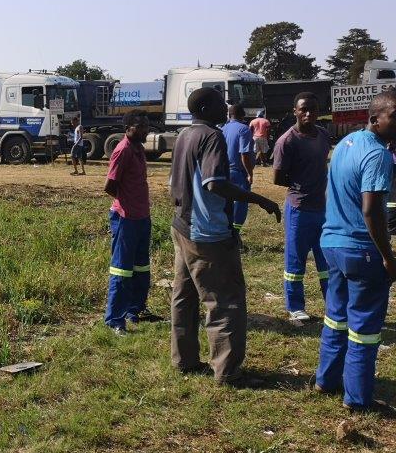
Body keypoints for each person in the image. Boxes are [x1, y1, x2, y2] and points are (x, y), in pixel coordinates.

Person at [169, 88, 280, 385]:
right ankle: (228, 372)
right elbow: (214, 184)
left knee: (184, 296)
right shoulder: (211, 136)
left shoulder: (184, 135)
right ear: (206, 108)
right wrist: (258, 199)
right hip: (207, 233)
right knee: (225, 301)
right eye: (221, 103)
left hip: (182, 225)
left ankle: (184, 360)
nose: (226, 107)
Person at [315, 90, 396, 412]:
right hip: (362, 251)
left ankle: (326, 379)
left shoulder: (345, 144)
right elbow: (372, 210)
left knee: (336, 317)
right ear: (375, 118)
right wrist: (388, 257)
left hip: (333, 245)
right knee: (364, 328)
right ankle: (358, 398)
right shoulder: (377, 155)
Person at [271, 93, 331, 322]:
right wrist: (301, 183)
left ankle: (333, 304)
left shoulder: (323, 135)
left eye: (312, 109)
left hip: (323, 209)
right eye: (303, 109)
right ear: (295, 111)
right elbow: (277, 178)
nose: (308, 114)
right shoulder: (287, 141)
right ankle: (295, 307)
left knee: (327, 260)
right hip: (299, 209)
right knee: (295, 260)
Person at [103, 111, 160, 335]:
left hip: (142, 217)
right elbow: (110, 186)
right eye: (141, 126)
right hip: (125, 219)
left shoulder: (139, 149)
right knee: (122, 270)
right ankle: (115, 320)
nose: (146, 130)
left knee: (141, 267)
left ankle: (135, 310)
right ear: (128, 128)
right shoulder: (123, 150)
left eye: (147, 125)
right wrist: (126, 202)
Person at [221, 104, 255, 239]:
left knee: (226, 203)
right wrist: (250, 173)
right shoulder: (244, 129)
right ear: (243, 115)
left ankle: (226, 232)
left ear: (229, 115)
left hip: (224, 172)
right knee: (241, 204)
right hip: (239, 173)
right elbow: (244, 154)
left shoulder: (222, 129)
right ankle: (235, 235)